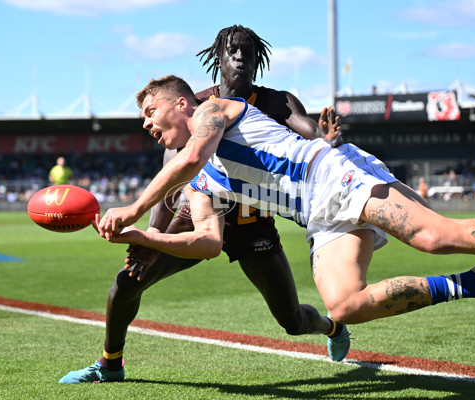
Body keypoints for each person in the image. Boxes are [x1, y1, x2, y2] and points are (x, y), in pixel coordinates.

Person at [99, 75, 475, 348]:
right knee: (344, 303)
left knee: (433, 236)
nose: (145, 123)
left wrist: (137, 208)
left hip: (333, 176)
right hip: (318, 213)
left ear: (181, 103)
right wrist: (142, 238)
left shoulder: (211, 111)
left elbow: (193, 156)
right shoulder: (201, 180)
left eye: (150, 111)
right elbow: (208, 243)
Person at [59, 26, 346, 384]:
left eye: (248, 52)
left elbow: (308, 131)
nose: (240, 58)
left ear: (259, 61)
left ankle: (332, 327)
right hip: (199, 211)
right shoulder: (193, 107)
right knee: (129, 280)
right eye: (233, 51)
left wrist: (327, 140)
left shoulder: (276, 101)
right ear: (217, 58)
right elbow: (173, 174)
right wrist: (150, 236)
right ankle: (109, 364)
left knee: (292, 320)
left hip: (253, 223)